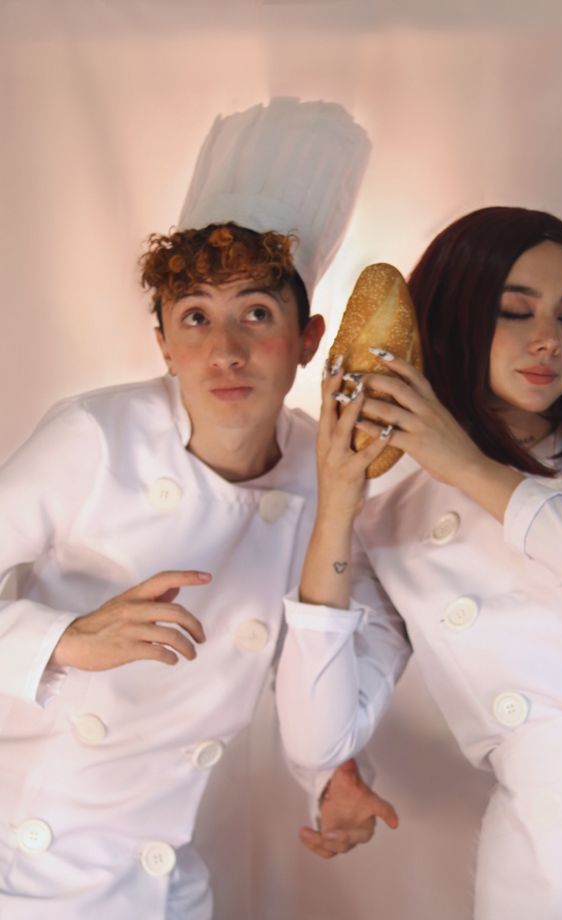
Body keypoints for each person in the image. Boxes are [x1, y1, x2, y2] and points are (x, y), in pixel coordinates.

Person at [276, 207, 562, 919]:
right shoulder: (387, 520)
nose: (549, 341)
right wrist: (337, 508)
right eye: (515, 312)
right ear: (454, 317)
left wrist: (462, 463)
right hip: (547, 872)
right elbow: (318, 736)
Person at [0, 99, 397, 919]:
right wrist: (64, 639)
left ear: (309, 336)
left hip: (164, 880)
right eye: (195, 318)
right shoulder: (94, 437)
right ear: (163, 342)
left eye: (257, 313)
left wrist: (331, 772)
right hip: (21, 860)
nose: (226, 351)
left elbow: (329, 644)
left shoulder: (329, 479)